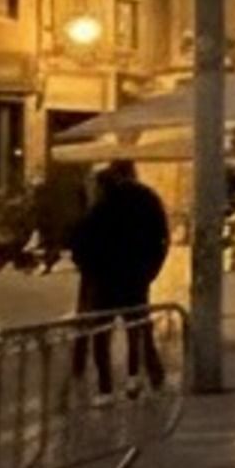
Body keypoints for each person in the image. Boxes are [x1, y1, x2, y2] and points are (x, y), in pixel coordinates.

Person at [68, 158, 173, 398]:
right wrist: (151, 270)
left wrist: (88, 266)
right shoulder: (147, 199)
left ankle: (105, 386)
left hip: (104, 279)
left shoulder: (102, 205)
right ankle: (134, 379)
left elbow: (82, 239)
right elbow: (162, 238)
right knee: (136, 329)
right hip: (135, 277)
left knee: (101, 334)